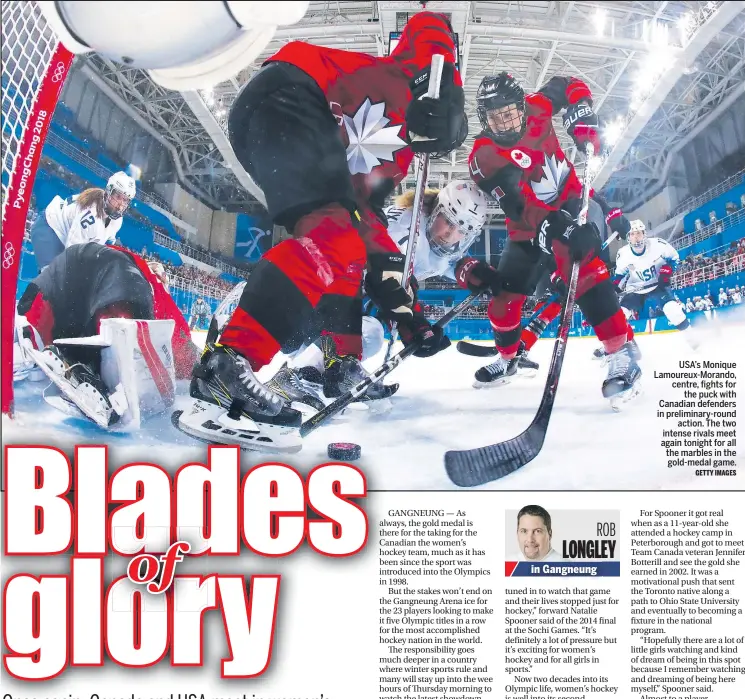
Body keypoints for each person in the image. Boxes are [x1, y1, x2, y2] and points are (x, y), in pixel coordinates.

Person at [174, 11, 468, 451]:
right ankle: (227, 367)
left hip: (279, 120)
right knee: (337, 242)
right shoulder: (412, 80)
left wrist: (410, 317)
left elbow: (364, 221)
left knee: (342, 246)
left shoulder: (400, 161)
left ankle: (340, 361)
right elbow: (430, 29)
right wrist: (447, 92)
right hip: (293, 95)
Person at [461, 72, 640, 408]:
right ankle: (509, 357)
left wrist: (581, 106)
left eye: (509, 112)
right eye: (495, 116)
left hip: (571, 201)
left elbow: (566, 83)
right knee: (502, 301)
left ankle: (622, 353)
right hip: (528, 226)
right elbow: (518, 203)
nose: (504, 121)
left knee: (581, 268)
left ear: (520, 106)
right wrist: (558, 227)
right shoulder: (483, 155)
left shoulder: (537, 106)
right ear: (484, 119)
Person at [15, 243, 199, 428]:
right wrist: (196, 368)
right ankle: (92, 380)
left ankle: (31, 344)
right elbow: (181, 341)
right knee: (122, 347)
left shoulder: (128, 257)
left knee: (47, 329)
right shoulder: (155, 287)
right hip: (116, 278)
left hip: (61, 272)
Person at [598, 220, 697, 351]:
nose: (636, 237)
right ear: (628, 237)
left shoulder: (658, 244)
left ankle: (692, 337)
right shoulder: (623, 253)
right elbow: (620, 275)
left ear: (644, 234)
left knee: (673, 310)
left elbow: (674, 258)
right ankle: (612, 347)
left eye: (638, 233)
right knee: (620, 316)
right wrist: (615, 286)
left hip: (657, 286)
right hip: (635, 289)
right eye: (632, 234)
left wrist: (667, 271)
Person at [30, 171, 136, 270]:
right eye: (118, 196)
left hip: (65, 237)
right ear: (108, 192)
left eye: (125, 200)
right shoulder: (91, 215)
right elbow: (70, 254)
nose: (121, 204)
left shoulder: (117, 220)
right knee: (50, 281)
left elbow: (108, 242)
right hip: (49, 228)